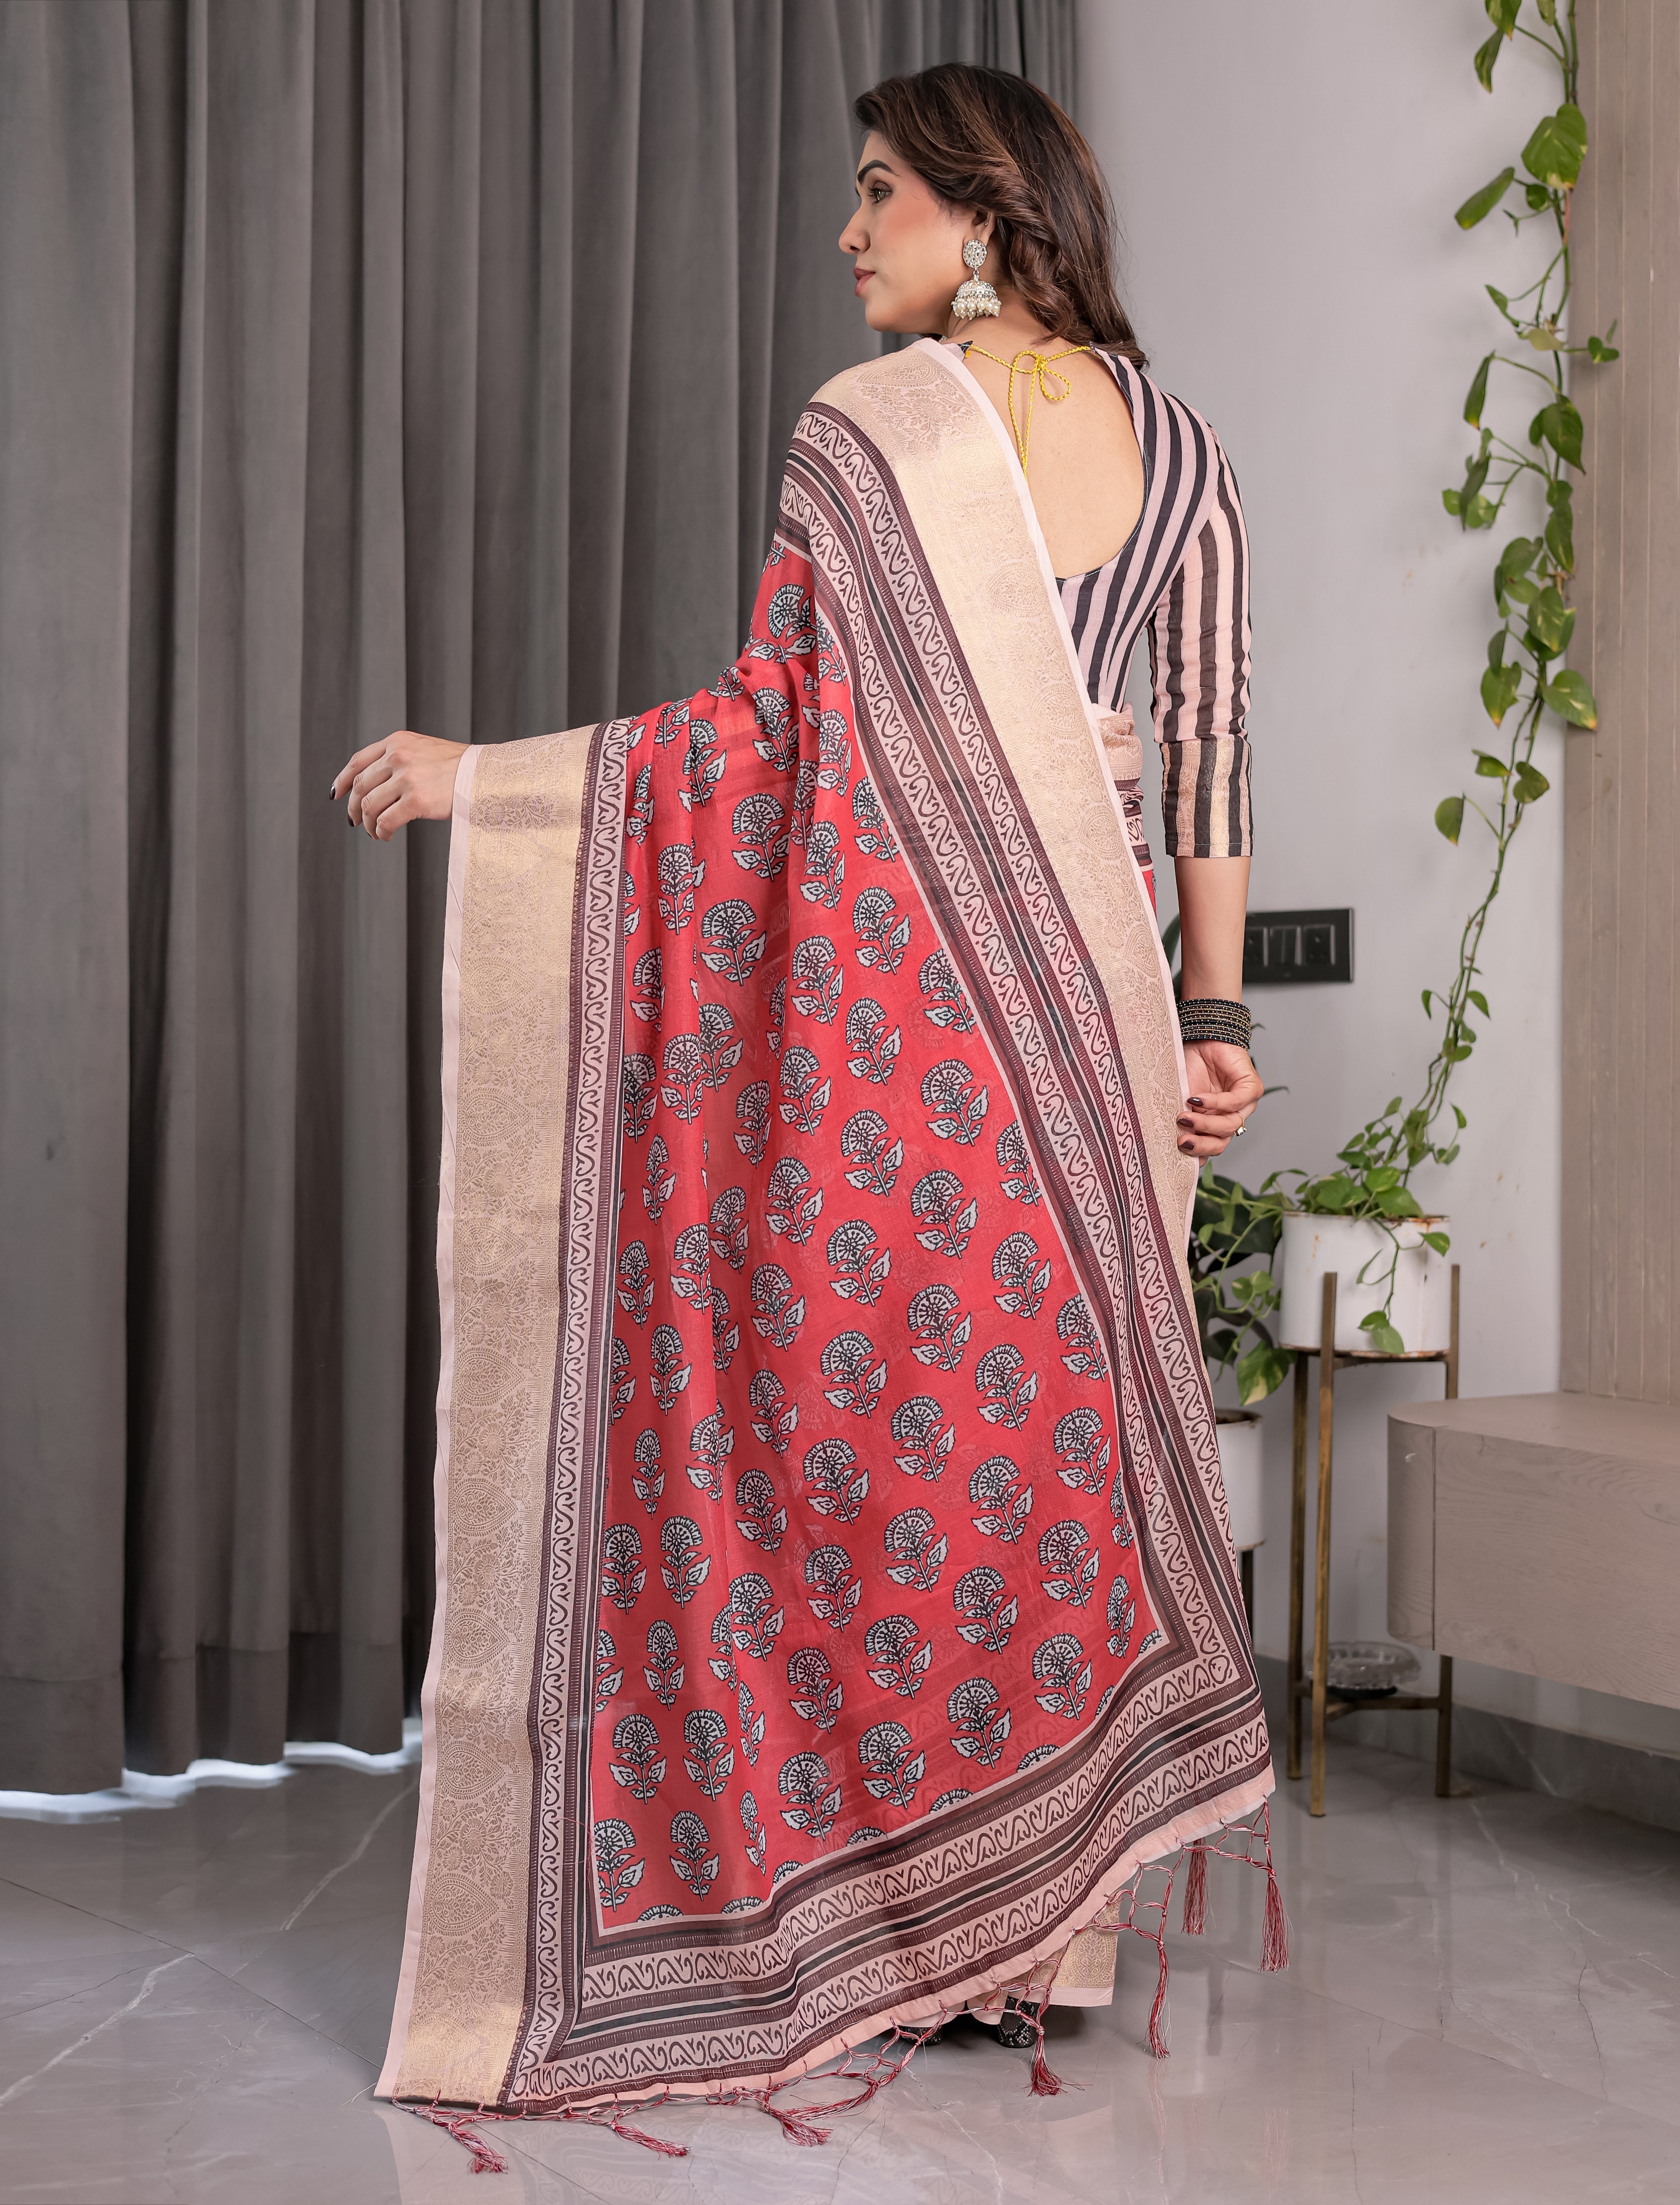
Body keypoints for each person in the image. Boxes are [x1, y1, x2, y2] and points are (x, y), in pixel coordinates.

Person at [333, 62, 1281, 2164]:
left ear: (984, 218)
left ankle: (891, 1923)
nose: (848, 236)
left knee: (862, 1432)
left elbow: (765, 739)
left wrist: (497, 780)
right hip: (1109, 1004)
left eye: (878, 197)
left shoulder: (867, 435)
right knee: (1035, 1454)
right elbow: (1210, 741)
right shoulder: (1186, 448)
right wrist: (1210, 1013)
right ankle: (1036, 1944)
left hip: (914, 1014)